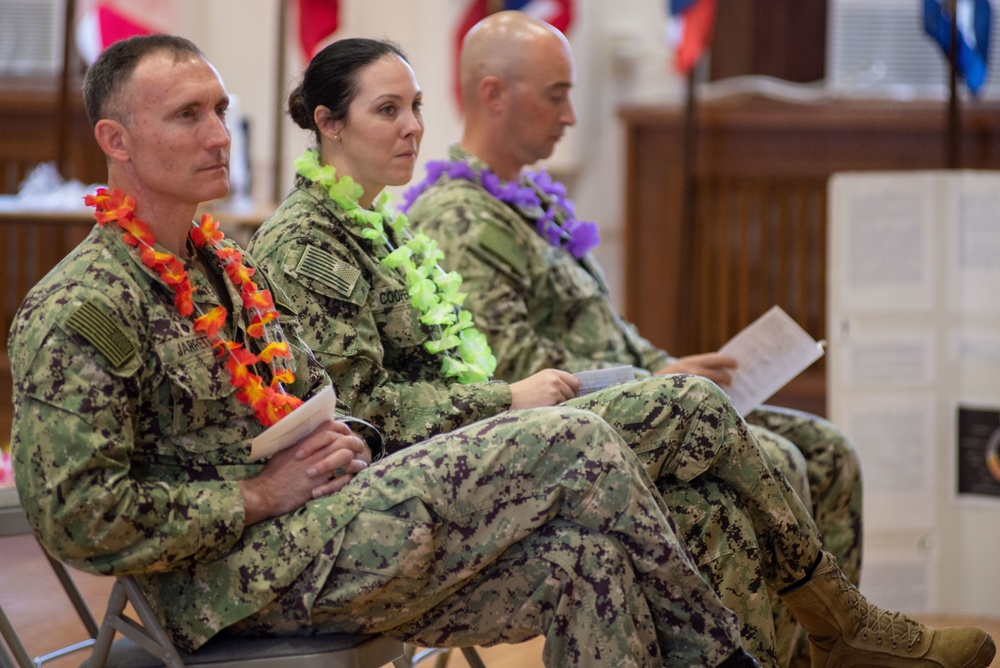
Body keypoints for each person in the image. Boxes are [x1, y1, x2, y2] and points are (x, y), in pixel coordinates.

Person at [7, 34, 765, 668]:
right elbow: (79, 516)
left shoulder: (227, 268)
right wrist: (255, 496)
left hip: (324, 521)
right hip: (229, 579)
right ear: (116, 141)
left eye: (220, 111)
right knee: (573, 437)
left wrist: (347, 444)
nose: (217, 135)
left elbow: (336, 401)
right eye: (186, 116)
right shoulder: (84, 307)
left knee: (586, 563)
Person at [246, 34, 995, 668]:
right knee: (696, 410)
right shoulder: (310, 243)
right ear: (328, 123)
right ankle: (845, 621)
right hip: (407, 481)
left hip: (479, 439)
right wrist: (504, 399)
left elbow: (483, 353)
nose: (412, 126)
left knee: (713, 502)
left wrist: (621, 370)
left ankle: (819, 641)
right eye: (387, 110)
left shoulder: (382, 227)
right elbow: (368, 411)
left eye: (414, 106)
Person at [402, 11, 858, 666]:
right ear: (493, 94)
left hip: (640, 410)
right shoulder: (458, 219)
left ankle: (826, 653)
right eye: (556, 94)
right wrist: (658, 385)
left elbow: (603, 331)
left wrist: (667, 365)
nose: (571, 116)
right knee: (777, 462)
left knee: (827, 450)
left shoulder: (531, 197)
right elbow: (520, 377)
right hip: (568, 448)